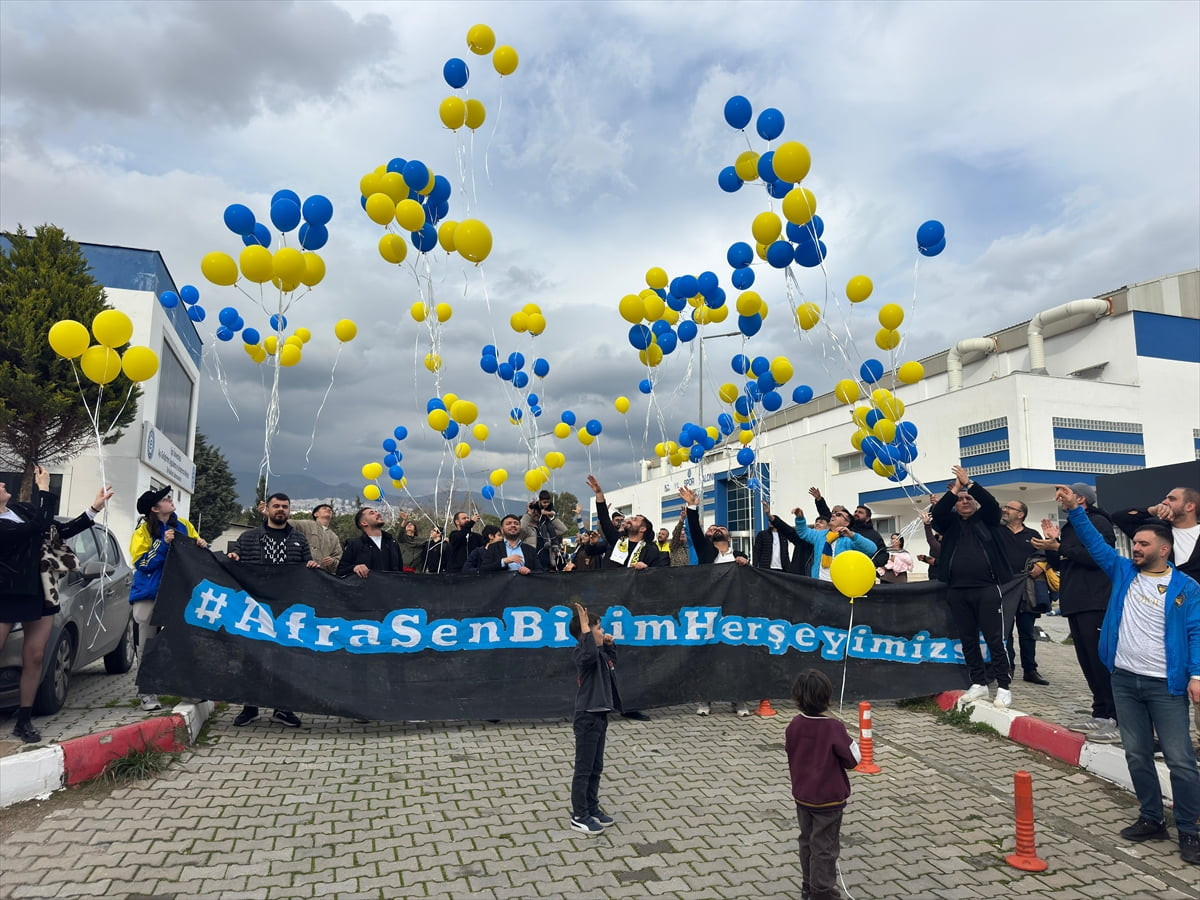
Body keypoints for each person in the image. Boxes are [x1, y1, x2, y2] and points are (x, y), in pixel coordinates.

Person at [1056, 485, 1200, 866]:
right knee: (1137, 755)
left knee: (1181, 760)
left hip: (1165, 686)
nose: (1134, 549)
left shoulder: (1187, 588)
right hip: (1124, 679)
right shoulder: (1122, 571)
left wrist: (1197, 675)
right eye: (1134, 543)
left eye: (1142, 544)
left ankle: (1190, 829)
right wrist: (1074, 511)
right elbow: (1094, 542)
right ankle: (1152, 818)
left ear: (1163, 550)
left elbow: (1196, 632)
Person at [0, 466, 113, 743]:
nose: (3, 483)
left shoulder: (21, 510)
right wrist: (44, 490)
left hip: (38, 592)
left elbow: (57, 529)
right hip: (5, 594)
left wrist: (93, 510)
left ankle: (24, 720)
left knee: (36, 656)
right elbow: (36, 527)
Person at [226, 492, 320, 728]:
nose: (281, 510)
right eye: (276, 506)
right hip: (254, 607)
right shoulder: (248, 538)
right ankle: (250, 707)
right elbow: (235, 559)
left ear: (290, 511)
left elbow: (306, 567)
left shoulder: (299, 539)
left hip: (285, 609)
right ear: (266, 509)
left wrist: (311, 566)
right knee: (252, 656)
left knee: (285, 658)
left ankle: (283, 708)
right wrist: (233, 558)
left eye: (285, 507)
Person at [1035, 484, 1119, 742]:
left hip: (1096, 601)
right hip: (1075, 601)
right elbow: (1063, 563)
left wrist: (1060, 547)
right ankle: (1101, 714)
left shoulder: (1098, 522)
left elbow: (1098, 558)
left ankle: (1118, 718)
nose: (1060, 498)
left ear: (1081, 498)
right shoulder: (1071, 526)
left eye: (1067, 494)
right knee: (1088, 663)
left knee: (1101, 662)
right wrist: (1053, 546)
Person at [931, 466, 1013, 709]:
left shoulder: (988, 520)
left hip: (986, 589)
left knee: (995, 639)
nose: (964, 501)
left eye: (969, 499)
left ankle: (1004, 686)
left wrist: (969, 484)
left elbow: (991, 504)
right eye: (961, 499)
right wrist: (954, 490)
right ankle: (978, 683)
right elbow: (938, 513)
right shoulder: (950, 525)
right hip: (957, 590)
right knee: (967, 639)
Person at [128, 486, 207, 711]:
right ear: (154, 508)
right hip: (150, 594)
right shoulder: (142, 531)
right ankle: (147, 691)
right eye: (165, 499)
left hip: (180, 592)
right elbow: (142, 562)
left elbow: (196, 551)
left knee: (182, 641)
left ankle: (185, 689)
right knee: (147, 643)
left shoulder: (183, 524)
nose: (170, 500)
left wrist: (201, 544)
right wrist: (162, 543)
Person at [785, 669, 861, 900]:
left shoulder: (794, 725)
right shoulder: (833, 728)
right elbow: (852, 760)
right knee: (824, 848)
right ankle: (822, 892)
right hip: (829, 800)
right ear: (827, 698)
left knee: (807, 840)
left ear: (797, 698)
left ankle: (808, 886)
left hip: (803, 796)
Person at [680, 487, 753, 717]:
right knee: (707, 655)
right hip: (709, 610)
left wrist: (745, 563)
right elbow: (693, 528)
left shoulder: (739, 554)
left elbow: (752, 580)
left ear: (729, 538)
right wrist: (693, 506)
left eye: (722, 529)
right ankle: (705, 699)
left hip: (734, 610)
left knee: (734, 655)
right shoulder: (705, 552)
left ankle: (738, 700)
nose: (718, 530)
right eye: (715, 530)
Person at [568, 601, 622, 835]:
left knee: (596, 766)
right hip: (586, 718)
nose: (603, 631)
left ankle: (592, 807)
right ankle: (579, 815)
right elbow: (589, 651)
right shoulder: (583, 654)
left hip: (600, 716)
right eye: (599, 628)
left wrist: (610, 646)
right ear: (586, 634)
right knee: (584, 768)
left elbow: (611, 664)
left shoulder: (599, 654)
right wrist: (585, 626)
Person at [997, 499, 1048, 686]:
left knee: (1027, 631)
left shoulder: (1032, 534)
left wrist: (1041, 566)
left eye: (1009, 508)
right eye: (1005, 506)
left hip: (1027, 590)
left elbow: (1045, 555)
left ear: (1020, 514)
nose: (1005, 509)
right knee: (1005, 631)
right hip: (1004, 588)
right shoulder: (998, 532)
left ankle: (1030, 670)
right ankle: (1007, 668)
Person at [584, 475, 668, 569]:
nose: (630, 520)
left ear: (643, 529)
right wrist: (599, 494)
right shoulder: (618, 540)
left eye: (635, 519)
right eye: (632, 518)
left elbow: (659, 573)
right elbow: (605, 520)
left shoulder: (650, 549)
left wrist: (646, 568)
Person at [791, 507, 878, 582]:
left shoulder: (849, 539)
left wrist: (853, 536)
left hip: (839, 585)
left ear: (846, 523)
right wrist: (800, 518)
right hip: (818, 583)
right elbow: (803, 532)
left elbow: (871, 549)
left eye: (838, 515)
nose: (833, 515)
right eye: (834, 513)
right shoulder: (820, 535)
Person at [808, 487, 886, 564]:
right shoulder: (848, 528)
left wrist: (868, 563)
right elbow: (828, 515)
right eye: (856, 511)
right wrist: (819, 500)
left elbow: (882, 554)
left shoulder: (874, 535)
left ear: (868, 518)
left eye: (860, 512)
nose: (856, 513)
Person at [338, 507, 404, 577]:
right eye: (372, 513)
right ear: (364, 523)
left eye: (376, 512)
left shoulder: (392, 543)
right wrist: (354, 568)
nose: (378, 514)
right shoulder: (354, 544)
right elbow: (340, 571)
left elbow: (400, 571)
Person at [521, 491, 567, 571]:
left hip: (547, 567)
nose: (535, 514)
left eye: (537, 512)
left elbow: (563, 530)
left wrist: (550, 517)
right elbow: (521, 529)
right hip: (531, 568)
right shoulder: (527, 531)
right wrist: (529, 514)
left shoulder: (546, 529)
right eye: (534, 512)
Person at [291, 503, 342, 574]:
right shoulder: (307, 525)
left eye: (330, 510)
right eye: (324, 508)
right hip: (303, 572)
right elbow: (289, 523)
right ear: (316, 514)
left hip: (322, 576)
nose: (328, 510)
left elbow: (338, 560)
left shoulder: (334, 537)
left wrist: (332, 561)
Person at [754, 501, 803, 573]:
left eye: (772, 520)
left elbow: (786, 553)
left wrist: (788, 567)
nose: (770, 522)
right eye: (769, 521)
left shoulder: (783, 536)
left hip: (782, 568)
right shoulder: (762, 534)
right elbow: (757, 551)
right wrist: (755, 567)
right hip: (766, 568)